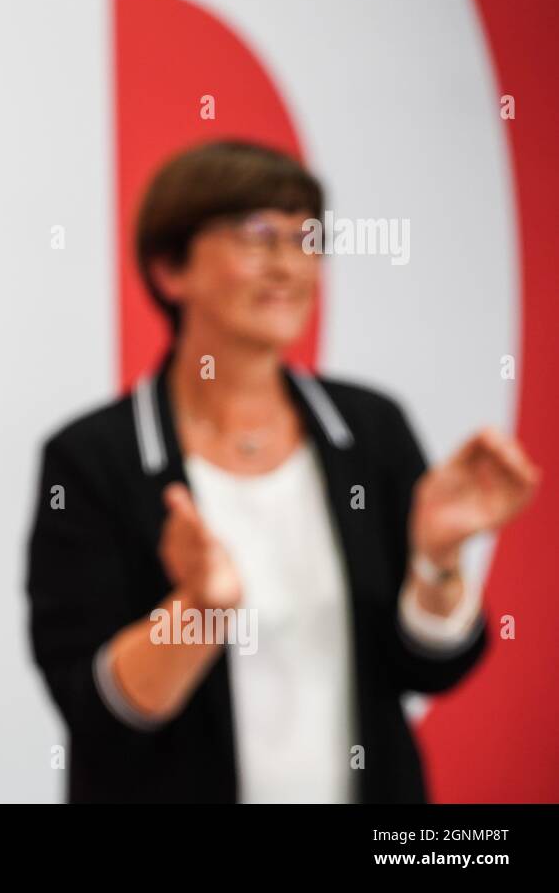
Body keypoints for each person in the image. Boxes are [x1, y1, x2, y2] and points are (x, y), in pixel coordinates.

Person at [27, 140, 538, 803]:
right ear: (170, 269)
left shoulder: (368, 431)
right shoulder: (95, 456)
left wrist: (437, 560)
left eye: (307, 240)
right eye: (258, 237)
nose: (290, 267)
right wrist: (199, 610)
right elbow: (101, 717)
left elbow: (427, 667)